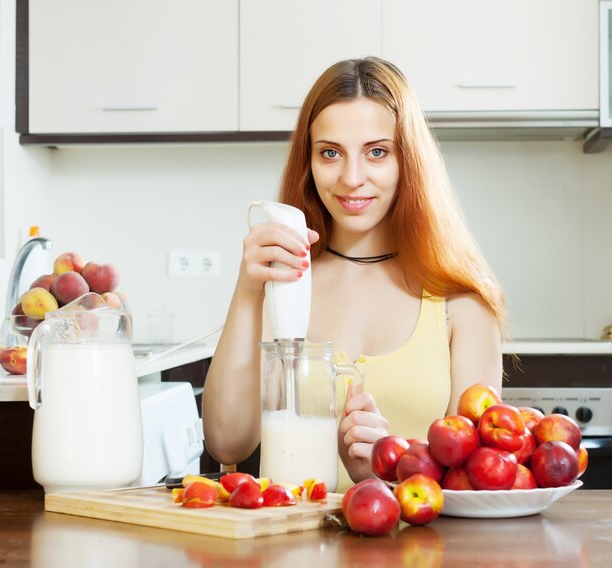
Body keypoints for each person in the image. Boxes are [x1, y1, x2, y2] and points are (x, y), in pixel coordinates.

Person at [202, 56, 506, 491]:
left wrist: (391, 465)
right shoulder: (283, 288)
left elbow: (479, 480)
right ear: (308, 162)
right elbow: (227, 444)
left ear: (409, 161)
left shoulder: (462, 302)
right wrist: (249, 289)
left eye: (377, 152)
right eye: (330, 153)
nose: (352, 177)